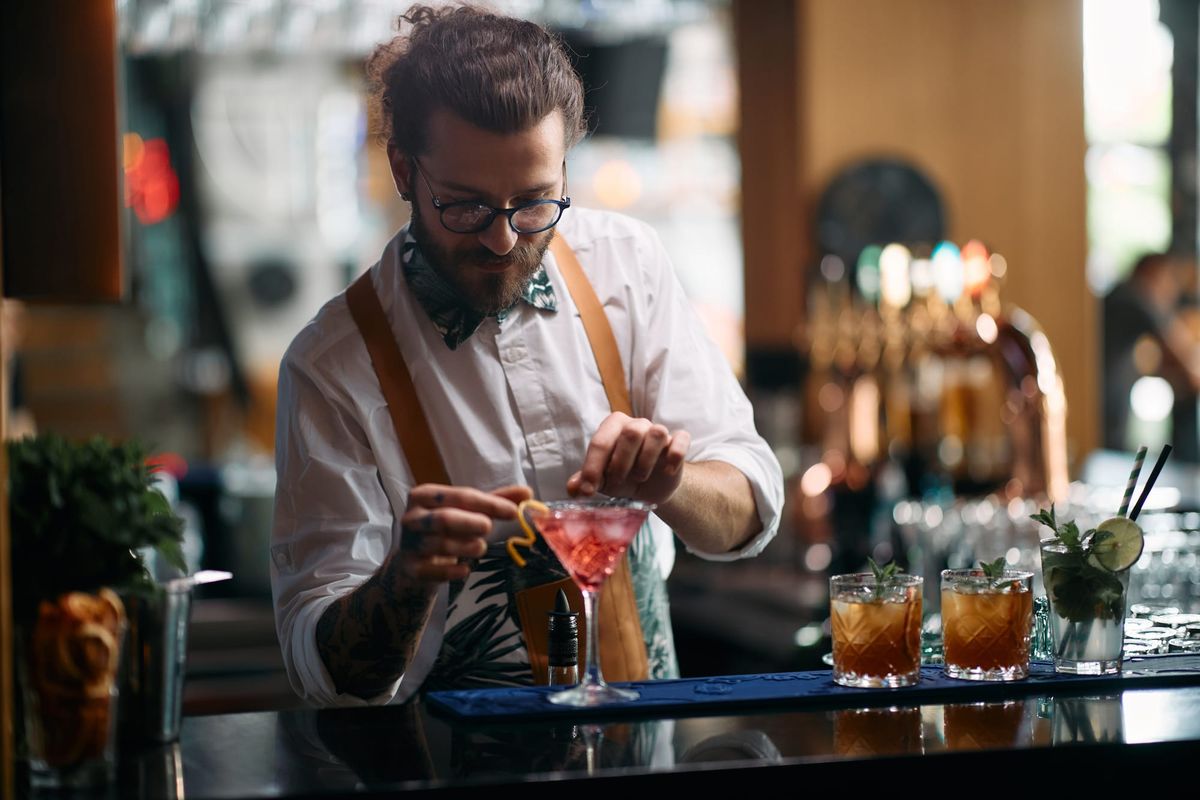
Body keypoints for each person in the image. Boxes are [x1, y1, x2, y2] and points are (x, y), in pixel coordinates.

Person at [270, 4, 783, 706]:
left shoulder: (626, 265)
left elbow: (749, 511)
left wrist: (671, 483)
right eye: (466, 208)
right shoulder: (331, 365)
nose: (504, 240)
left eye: (535, 202)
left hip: (642, 751)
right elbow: (325, 671)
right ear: (402, 170)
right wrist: (408, 575)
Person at [1102, 251, 1200, 459]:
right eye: (1169, 279)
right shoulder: (1134, 297)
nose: (1172, 291)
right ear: (1151, 273)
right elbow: (1187, 364)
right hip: (1101, 421)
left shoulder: (1117, 298)